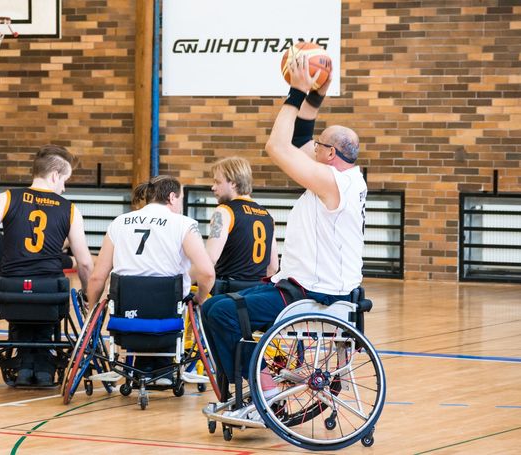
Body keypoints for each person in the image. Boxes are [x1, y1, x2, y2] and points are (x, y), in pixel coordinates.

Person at [202, 58, 366, 403]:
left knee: (219, 311)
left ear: (331, 153)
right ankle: (254, 375)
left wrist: (297, 91)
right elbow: (302, 136)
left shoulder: (333, 182)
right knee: (213, 307)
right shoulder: (341, 177)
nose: (313, 148)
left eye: (320, 147)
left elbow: (277, 147)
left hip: (313, 293)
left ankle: (261, 378)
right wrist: (317, 95)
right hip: (302, 285)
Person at [0, 144, 94, 387]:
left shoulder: (5, 198)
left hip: (11, 289)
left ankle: (25, 362)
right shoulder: (69, 209)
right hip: (50, 290)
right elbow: (86, 263)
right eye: (65, 180)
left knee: (20, 306)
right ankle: (43, 364)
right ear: (55, 175)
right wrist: (89, 295)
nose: (64, 187)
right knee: (46, 306)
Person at [87, 175, 215, 383]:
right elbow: (207, 273)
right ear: (172, 197)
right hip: (167, 311)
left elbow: (97, 277)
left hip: (126, 311)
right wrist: (199, 298)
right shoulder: (183, 224)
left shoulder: (119, 222)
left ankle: (141, 364)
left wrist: (92, 311)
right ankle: (162, 368)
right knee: (177, 300)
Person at [206, 157, 278, 293]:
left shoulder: (224, 211)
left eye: (217, 182)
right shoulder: (267, 216)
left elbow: (210, 259)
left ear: (233, 183)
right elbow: (273, 267)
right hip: (256, 294)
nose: (213, 187)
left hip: (227, 293)